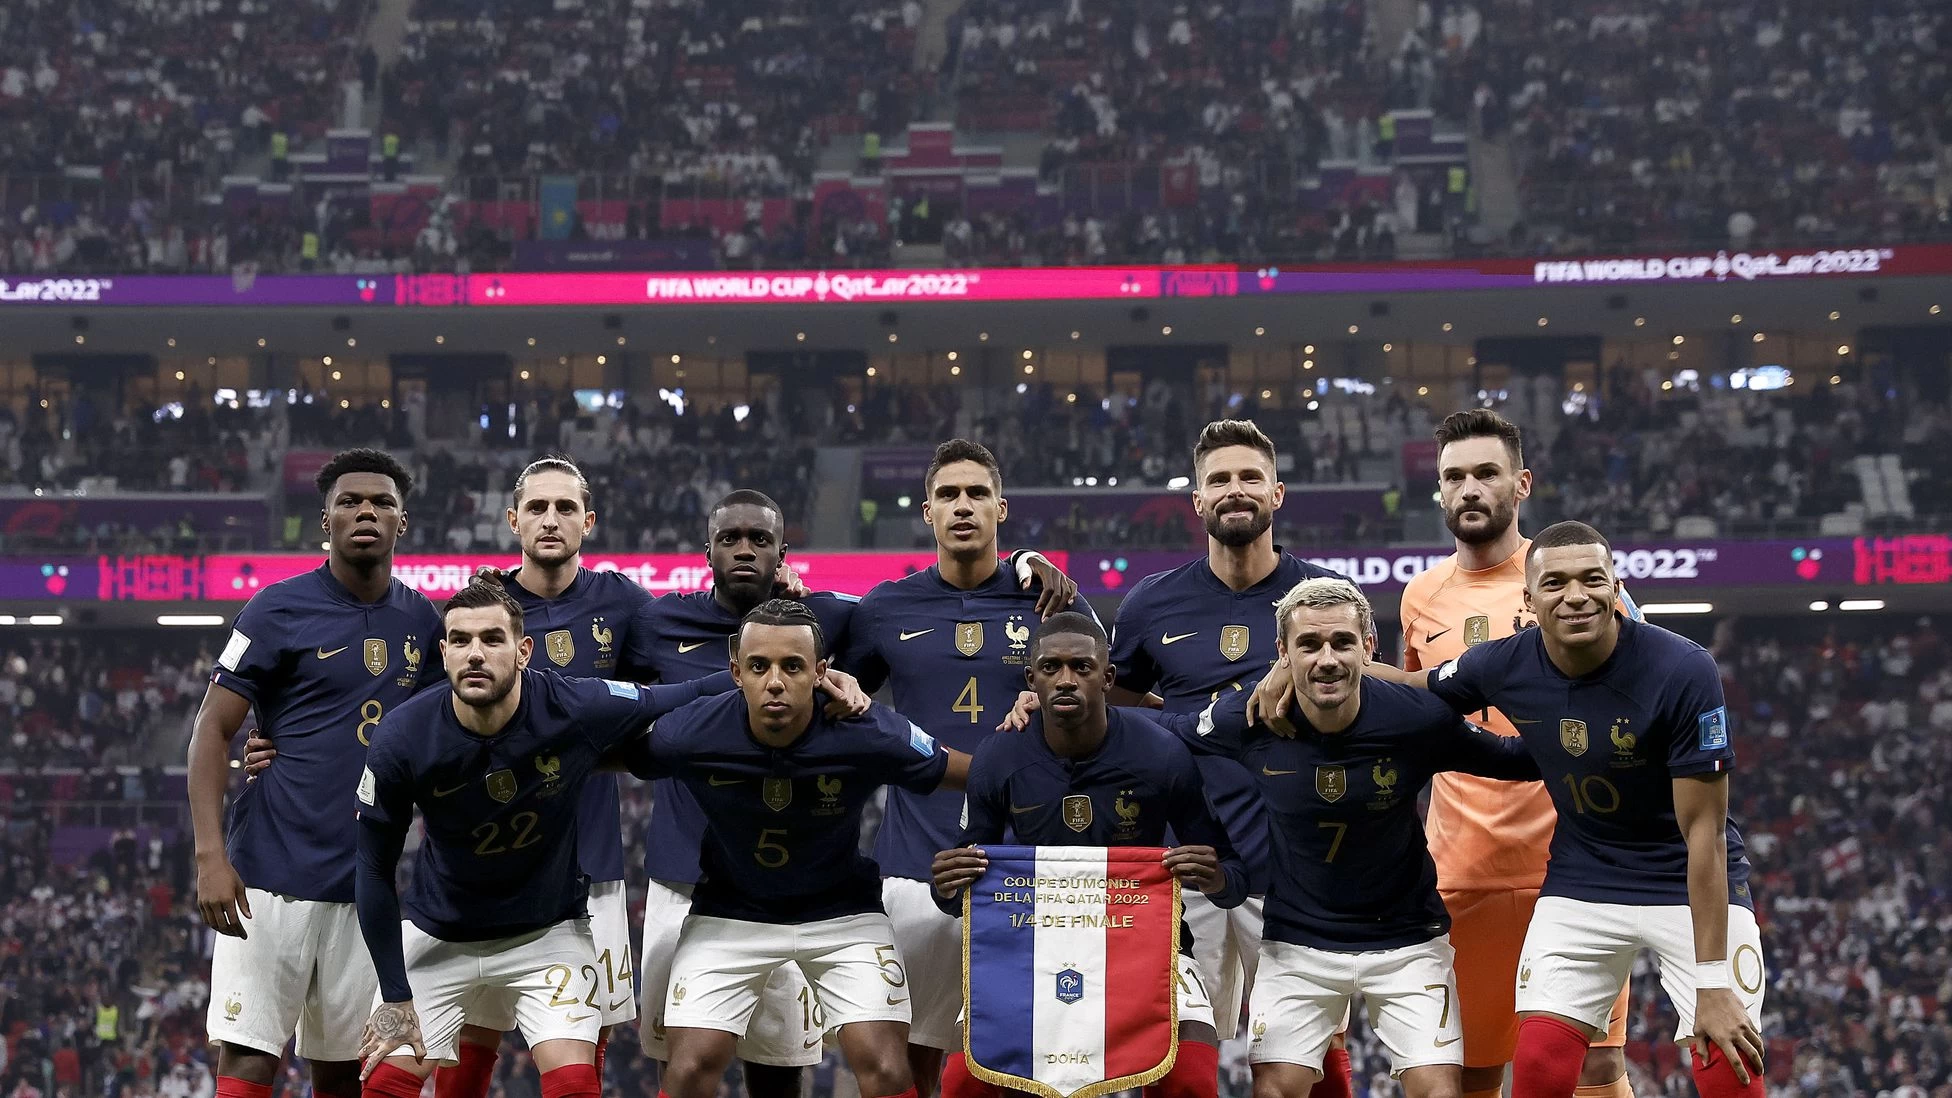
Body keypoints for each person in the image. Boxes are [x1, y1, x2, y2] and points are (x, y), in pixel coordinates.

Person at [247, 469, 871, 1098]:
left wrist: (789, 602)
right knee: (466, 1040)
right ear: (513, 521)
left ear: (587, 522)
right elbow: (404, 709)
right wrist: (280, 733)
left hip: (582, 867)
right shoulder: (482, 606)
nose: (551, 520)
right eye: (538, 507)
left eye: (565, 507)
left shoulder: (627, 605)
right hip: (465, 881)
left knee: (585, 1049)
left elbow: (673, 685)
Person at [1400, 522, 1766, 1098]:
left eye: (1592, 580)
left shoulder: (1682, 668)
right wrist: (1321, 669)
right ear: (1529, 600)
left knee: (1728, 1059)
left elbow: (1705, 833)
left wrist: (1713, 983)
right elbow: (1414, 688)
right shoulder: (1503, 663)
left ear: (1616, 590)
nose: (1576, 596)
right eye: (1555, 583)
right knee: (1540, 1065)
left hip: (1683, 876)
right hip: (1585, 877)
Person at [351, 575, 737, 1098]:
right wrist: (397, 996)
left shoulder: (571, 704)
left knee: (575, 1085)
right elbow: (373, 868)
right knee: (383, 1086)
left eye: (492, 639)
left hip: (546, 933)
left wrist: (792, 679)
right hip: (439, 934)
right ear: (443, 654)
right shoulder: (402, 737)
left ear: (524, 651)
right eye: (460, 640)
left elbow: (680, 695)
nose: (475, 654)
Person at [1174, 578, 1539, 1098]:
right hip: (1297, 942)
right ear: (1283, 653)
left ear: (1367, 647)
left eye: (1342, 642)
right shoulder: (1250, 717)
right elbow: (1164, 735)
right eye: (1309, 644)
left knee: (1440, 1091)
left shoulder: (1416, 719)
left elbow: (1514, 759)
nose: (1327, 660)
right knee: (1274, 1090)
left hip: (1407, 939)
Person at [618, 600, 974, 1098]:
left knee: (887, 1070)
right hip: (728, 915)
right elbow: (603, 755)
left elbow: (969, 773)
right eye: (758, 666)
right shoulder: (692, 730)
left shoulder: (867, 730)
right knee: (689, 1070)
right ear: (735, 672)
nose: (775, 682)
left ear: (821, 672)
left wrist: (1040, 749)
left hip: (843, 916)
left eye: (792, 666)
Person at [1102, 419, 1356, 1093]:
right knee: (1176, 1060)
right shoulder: (1151, 601)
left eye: (1249, 477)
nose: (1234, 490)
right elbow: (1116, 704)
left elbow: (1367, 707)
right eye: (1218, 480)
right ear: (1198, 500)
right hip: (1186, 861)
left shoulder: (1327, 599)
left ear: (1277, 493)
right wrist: (1193, 724)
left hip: (1297, 864)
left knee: (1308, 1058)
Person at [1391, 410, 1638, 1098]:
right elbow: (1414, 718)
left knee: (1597, 1065)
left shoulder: (1571, 581)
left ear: (1522, 483)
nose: (1469, 488)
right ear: (1440, 490)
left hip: (1577, 871)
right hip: (1463, 870)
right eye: (1454, 477)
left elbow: (1639, 700)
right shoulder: (1419, 597)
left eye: (1486, 473)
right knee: (1474, 1071)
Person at [839, 439, 1095, 1096]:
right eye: (948, 495)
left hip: (1030, 865)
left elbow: (1106, 709)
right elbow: (842, 702)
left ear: (1001, 508)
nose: (962, 506)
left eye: (977, 493)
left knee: (1029, 1065)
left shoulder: (1051, 602)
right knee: (908, 1064)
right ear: (927, 512)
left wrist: (1051, 707)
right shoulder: (883, 608)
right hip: (913, 868)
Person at [188, 449, 443, 1098]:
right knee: (248, 1062)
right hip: (267, 877)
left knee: (345, 1072)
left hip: (366, 887)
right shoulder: (275, 609)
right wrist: (210, 855)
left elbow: (447, 730)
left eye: (382, 502)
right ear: (325, 521)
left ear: (402, 522)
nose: (366, 511)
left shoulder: (423, 622)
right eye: (349, 502)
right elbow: (212, 729)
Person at [930, 612, 1249, 1098]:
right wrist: (947, 885)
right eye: (1051, 667)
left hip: (1146, 948)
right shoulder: (998, 756)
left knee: (1190, 1079)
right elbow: (963, 889)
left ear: (1108, 677)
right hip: (1030, 948)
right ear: (1031, 679)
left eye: (1081, 667)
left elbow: (1233, 877)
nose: (1066, 679)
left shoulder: (1161, 754)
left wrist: (1216, 878)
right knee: (962, 1082)